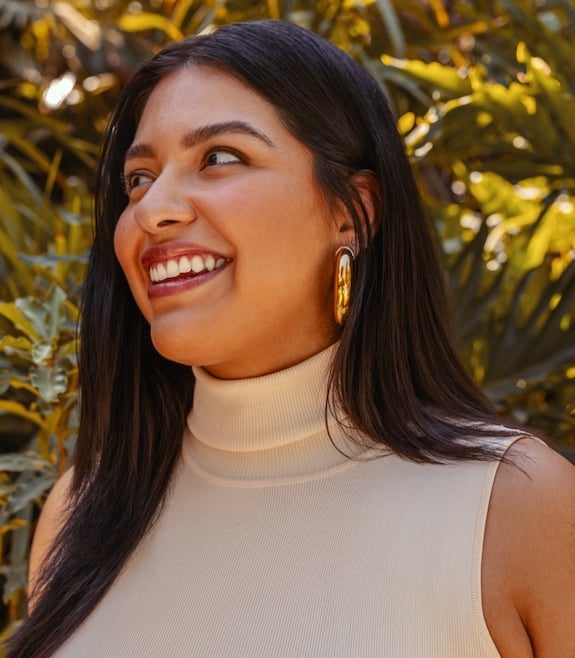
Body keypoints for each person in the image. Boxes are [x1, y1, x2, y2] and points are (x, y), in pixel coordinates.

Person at [7, 19, 575, 658]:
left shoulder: (513, 507)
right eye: (139, 178)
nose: (152, 209)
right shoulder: (81, 512)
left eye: (219, 158)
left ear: (352, 212)